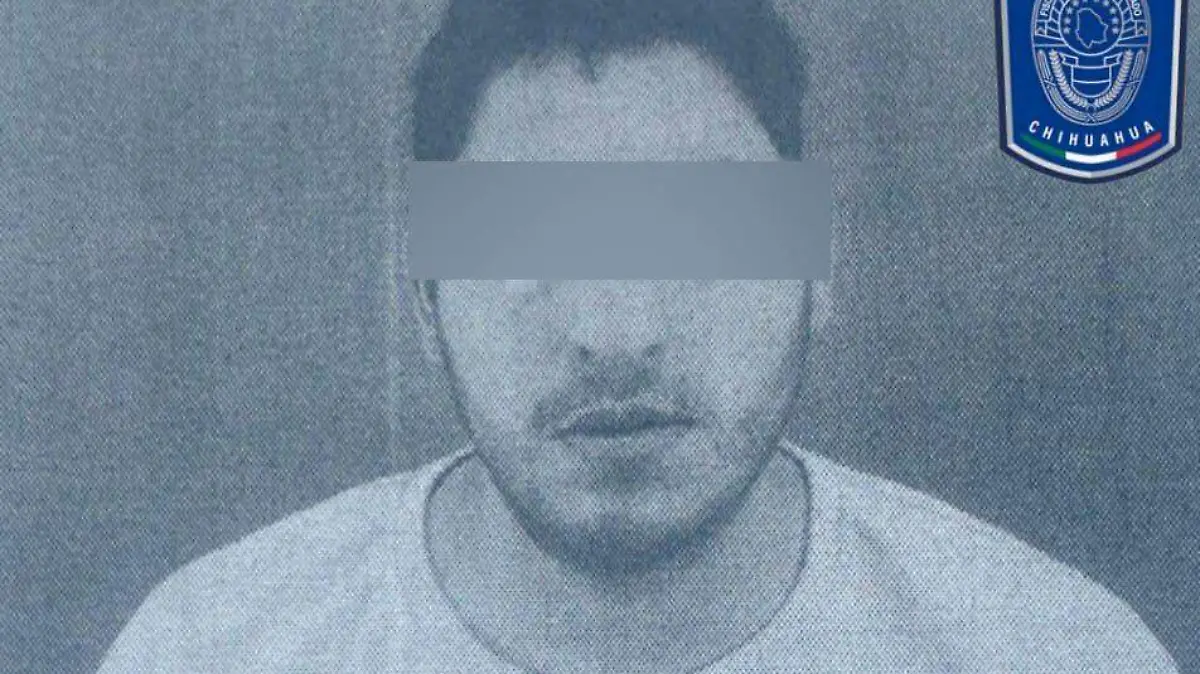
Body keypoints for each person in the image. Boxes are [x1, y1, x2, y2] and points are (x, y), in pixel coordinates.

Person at [99, 0, 1179, 671]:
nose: (617, 331)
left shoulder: (1053, 651)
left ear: (819, 264)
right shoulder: (210, 649)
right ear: (424, 294)